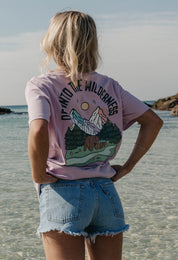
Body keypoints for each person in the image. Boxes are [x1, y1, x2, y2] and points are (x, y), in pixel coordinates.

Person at [25, 11, 163, 260]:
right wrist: (128, 167)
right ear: (92, 43)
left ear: (52, 42)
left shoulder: (41, 85)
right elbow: (153, 121)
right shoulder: (110, 85)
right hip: (106, 193)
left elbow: (38, 129)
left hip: (63, 192)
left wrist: (37, 173)